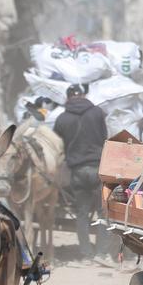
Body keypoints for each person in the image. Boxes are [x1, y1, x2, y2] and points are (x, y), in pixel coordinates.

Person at [54, 83, 110, 261]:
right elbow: (105, 139)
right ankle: (101, 252)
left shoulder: (62, 119)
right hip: (98, 168)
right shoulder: (97, 113)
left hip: (77, 171)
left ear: (68, 97)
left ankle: (86, 254)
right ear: (84, 95)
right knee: (103, 213)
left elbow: (58, 146)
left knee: (82, 213)